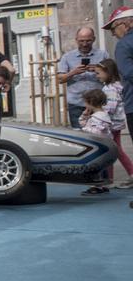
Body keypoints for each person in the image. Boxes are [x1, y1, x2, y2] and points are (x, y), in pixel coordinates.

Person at [57, 27, 108, 128]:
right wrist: (73, 72)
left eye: (88, 40)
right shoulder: (67, 57)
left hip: (98, 103)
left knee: (100, 133)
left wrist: (98, 70)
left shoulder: (103, 55)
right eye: (81, 41)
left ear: (94, 39)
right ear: (76, 39)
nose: (84, 44)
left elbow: (111, 76)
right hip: (76, 103)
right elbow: (60, 79)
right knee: (79, 135)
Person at [95, 59, 133, 187]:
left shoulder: (110, 88)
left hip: (111, 124)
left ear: (107, 72)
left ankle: (131, 173)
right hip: (115, 123)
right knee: (113, 150)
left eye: (98, 73)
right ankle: (109, 178)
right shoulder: (117, 85)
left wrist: (97, 111)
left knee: (116, 150)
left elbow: (110, 107)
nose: (97, 76)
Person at [79, 88, 114, 196]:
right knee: (102, 167)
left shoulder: (97, 118)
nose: (85, 105)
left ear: (91, 102)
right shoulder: (103, 115)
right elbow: (83, 123)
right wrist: (85, 115)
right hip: (104, 146)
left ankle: (95, 186)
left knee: (95, 166)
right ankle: (103, 185)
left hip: (97, 146)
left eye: (86, 103)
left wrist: (84, 131)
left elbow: (95, 132)